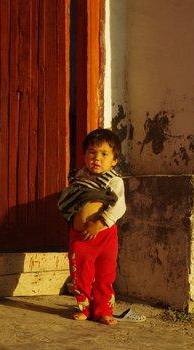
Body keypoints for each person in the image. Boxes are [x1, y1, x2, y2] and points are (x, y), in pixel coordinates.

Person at [58, 128, 126, 325]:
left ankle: (104, 310)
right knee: (81, 274)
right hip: (80, 236)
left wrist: (100, 222)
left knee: (105, 274)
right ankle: (85, 308)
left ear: (114, 160)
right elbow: (68, 202)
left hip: (105, 236)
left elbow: (119, 206)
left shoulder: (114, 181)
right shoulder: (78, 179)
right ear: (84, 155)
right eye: (92, 152)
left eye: (104, 154)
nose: (97, 158)